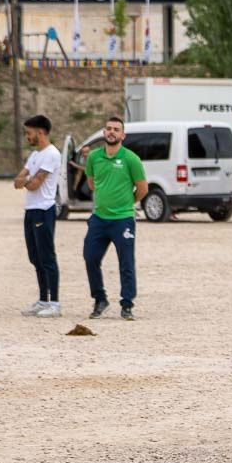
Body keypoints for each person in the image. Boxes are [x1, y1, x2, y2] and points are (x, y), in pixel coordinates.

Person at [83, 116, 147, 320]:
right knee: (90, 257)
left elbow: (143, 188)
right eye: (108, 128)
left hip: (123, 219)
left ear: (123, 135)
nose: (111, 132)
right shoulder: (93, 157)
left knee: (126, 262)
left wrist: (127, 204)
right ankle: (100, 299)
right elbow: (92, 184)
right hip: (99, 218)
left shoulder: (131, 159)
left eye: (116, 129)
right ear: (104, 132)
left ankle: (127, 304)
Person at [14, 114, 62, 318]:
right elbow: (18, 181)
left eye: (29, 132)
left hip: (44, 209)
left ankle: (55, 303)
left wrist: (26, 179)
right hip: (31, 209)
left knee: (47, 256)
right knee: (35, 257)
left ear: (40, 132)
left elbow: (34, 184)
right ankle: (43, 299)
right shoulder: (34, 156)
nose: (27, 136)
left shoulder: (51, 154)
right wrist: (26, 179)